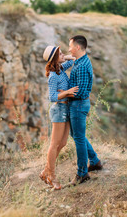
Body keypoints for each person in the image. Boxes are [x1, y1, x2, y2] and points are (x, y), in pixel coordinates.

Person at [40, 45, 78, 190]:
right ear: (55, 59)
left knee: (62, 143)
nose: (64, 55)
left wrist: (62, 57)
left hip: (66, 108)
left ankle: (45, 171)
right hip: (59, 109)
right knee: (54, 144)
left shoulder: (60, 69)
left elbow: (74, 59)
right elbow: (52, 97)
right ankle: (51, 176)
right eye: (60, 54)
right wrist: (67, 92)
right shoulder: (53, 75)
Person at [68, 35, 103, 186]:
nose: (69, 49)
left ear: (77, 47)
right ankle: (94, 161)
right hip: (78, 105)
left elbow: (81, 92)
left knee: (79, 139)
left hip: (78, 105)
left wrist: (65, 92)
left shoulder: (82, 66)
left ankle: (82, 173)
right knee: (78, 136)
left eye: (70, 46)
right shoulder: (80, 60)